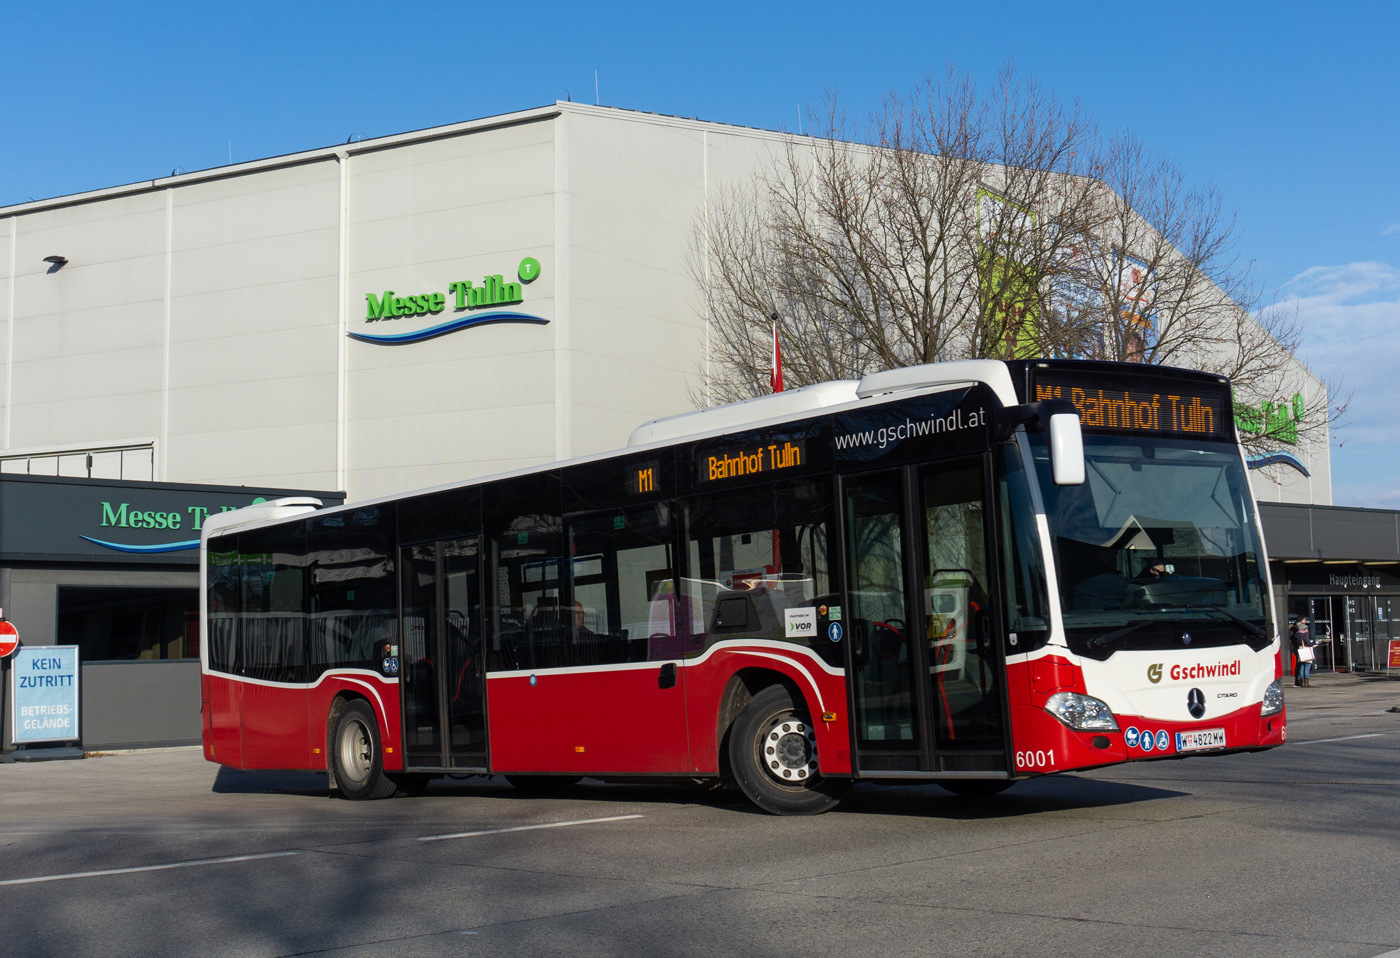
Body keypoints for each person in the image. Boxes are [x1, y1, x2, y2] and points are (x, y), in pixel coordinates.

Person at [1291, 616, 1316, 687]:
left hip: (1299, 651)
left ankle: (1301, 681)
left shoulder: (1296, 634)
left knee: (1301, 666)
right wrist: (1313, 644)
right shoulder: (1304, 635)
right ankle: (1306, 682)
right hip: (1305, 651)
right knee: (1307, 667)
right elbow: (1308, 643)